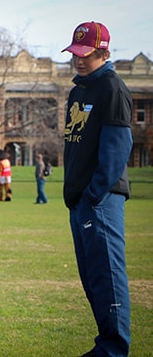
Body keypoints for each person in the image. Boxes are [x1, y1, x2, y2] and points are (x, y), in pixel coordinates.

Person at [62, 21, 133, 357]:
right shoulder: (78, 91)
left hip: (101, 199)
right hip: (80, 201)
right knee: (91, 277)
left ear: (103, 52)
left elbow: (117, 150)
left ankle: (114, 348)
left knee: (107, 273)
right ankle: (104, 342)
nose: (78, 60)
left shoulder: (113, 89)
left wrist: (94, 193)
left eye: (85, 54)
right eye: (75, 54)